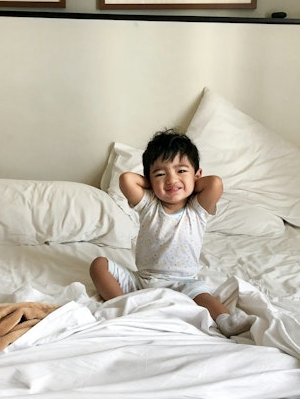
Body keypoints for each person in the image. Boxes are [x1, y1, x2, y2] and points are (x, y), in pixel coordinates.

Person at [89, 129, 255, 337]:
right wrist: (155, 183)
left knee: (205, 297)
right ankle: (122, 305)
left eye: (181, 171)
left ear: (197, 175)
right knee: (99, 265)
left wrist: (188, 182)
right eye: (160, 173)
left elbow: (215, 183)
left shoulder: (197, 208)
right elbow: (126, 179)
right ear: (149, 180)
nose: (171, 179)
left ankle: (227, 321)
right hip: (143, 281)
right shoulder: (148, 205)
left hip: (185, 282)